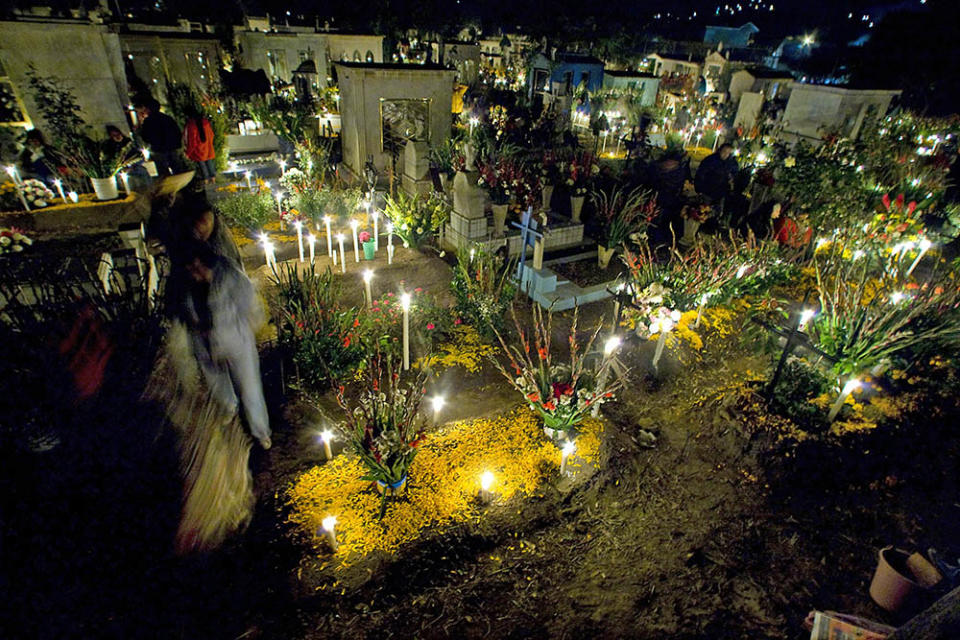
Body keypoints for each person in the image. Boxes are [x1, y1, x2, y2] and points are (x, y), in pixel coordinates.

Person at [148, 239, 269, 553]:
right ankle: (229, 417)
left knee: (250, 390)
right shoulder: (183, 286)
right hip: (206, 348)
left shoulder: (229, 276)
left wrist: (248, 329)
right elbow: (180, 317)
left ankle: (260, 433)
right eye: (191, 268)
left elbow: (250, 305)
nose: (197, 272)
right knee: (221, 391)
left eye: (201, 266)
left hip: (236, 342)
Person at [134, 97, 182, 176]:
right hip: (172, 147)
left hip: (159, 149)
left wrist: (139, 130)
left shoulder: (148, 121)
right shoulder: (167, 118)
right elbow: (177, 131)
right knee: (177, 168)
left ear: (148, 109)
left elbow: (146, 136)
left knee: (163, 171)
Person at [694, 143, 736, 218]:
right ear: (720, 150)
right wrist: (699, 188)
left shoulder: (730, 163)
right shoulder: (711, 160)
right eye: (724, 152)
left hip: (720, 193)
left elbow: (732, 175)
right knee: (703, 212)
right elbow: (700, 174)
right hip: (707, 191)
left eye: (728, 153)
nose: (725, 155)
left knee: (715, 214)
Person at [184, 110, 217, 184]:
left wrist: (188, 153)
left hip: (198, 150)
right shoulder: (206, 122)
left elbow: (192, 141)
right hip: (208, 148)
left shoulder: (191, 125)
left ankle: (206, 183)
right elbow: (211, 135)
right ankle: (214, 182)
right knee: (209, 163)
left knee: (203, 167)